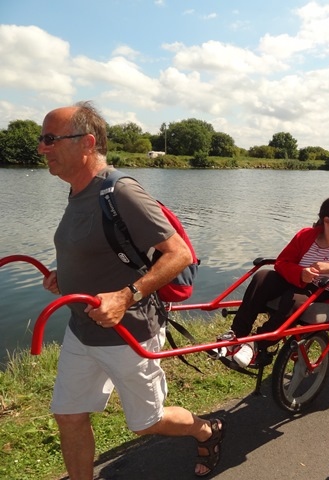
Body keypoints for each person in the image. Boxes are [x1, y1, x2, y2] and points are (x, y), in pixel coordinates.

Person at [39, 101, 223, 479]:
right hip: (81, 328)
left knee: (146, 422)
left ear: (87, 143)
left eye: (50, 139)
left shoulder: (120, 191)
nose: (42, 148)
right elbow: (99, 246)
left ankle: (206, 429)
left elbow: (180, 254)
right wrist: (68, 275)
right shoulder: (77, 190)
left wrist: (125, 297)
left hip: (128, 331)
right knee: (69, 415)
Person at [224, 196, 329, 368]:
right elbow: (282, 263)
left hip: (321, 291)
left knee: (293, 298)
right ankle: (236, 336)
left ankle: (256, 344)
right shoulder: (306, 236)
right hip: (297, 281)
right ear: (327, 221)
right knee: (263, 276)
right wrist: (300, 273)